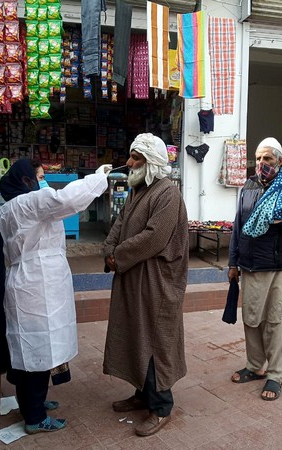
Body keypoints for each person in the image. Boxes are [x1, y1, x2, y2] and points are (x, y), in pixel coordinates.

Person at [0, 159, 111, 434]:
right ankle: (34, 417)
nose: (44, 183)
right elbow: (66, 200)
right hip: (35, 287)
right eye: (39, 177)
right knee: (35, 351)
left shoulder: (12, 208)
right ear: (26, 181)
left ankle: (33, 403)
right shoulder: (27, 204)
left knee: (33, 350)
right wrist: (97, 178)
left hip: (33, 284)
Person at [103, 133, 189, 437]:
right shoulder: (138, 190)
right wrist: (109, 251)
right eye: (130, 156)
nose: (129, 163)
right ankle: (142, 395)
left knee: (154, 341)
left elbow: (154, 238)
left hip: (156, 284)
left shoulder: (167, 194)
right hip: (133, 278)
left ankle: (161, 406)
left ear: (151, 162)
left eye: (136, 158)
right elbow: (119, 224)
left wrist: (119, 256)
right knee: (134, 336)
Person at [228, 137, 282, 401]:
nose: (262, 163)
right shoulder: (249, 185)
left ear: (280, 160)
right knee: (251, 320)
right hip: (250, 266)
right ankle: (255, 367)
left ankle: (276, 375)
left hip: (278, 268)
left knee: (275, 323)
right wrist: (233, 262)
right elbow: (238, 225)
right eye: (258, 158)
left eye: (267, 158)